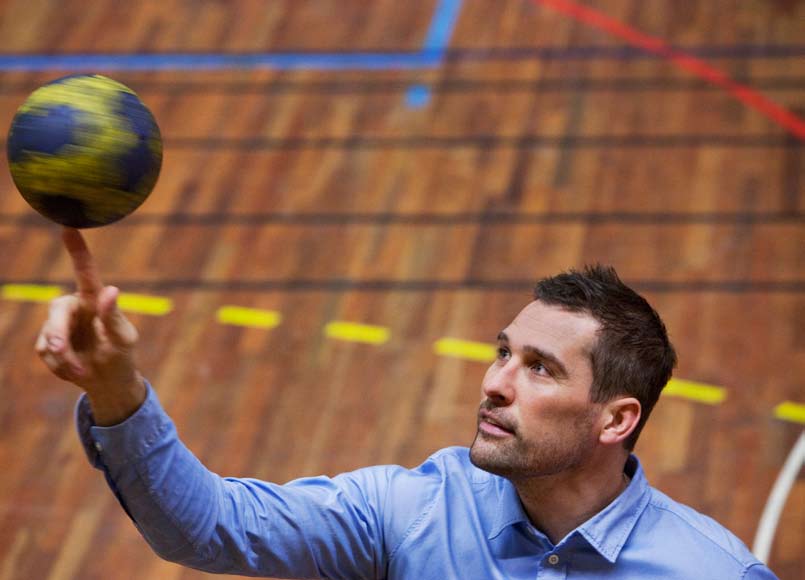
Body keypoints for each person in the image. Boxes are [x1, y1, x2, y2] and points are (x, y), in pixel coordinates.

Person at [37, 228, 778, 579]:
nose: (493, 382)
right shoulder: (407, 512)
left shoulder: (708, 572)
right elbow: (208, 527)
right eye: (501, 352)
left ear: (615, 419)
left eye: (539, 369)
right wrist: (114, 389)